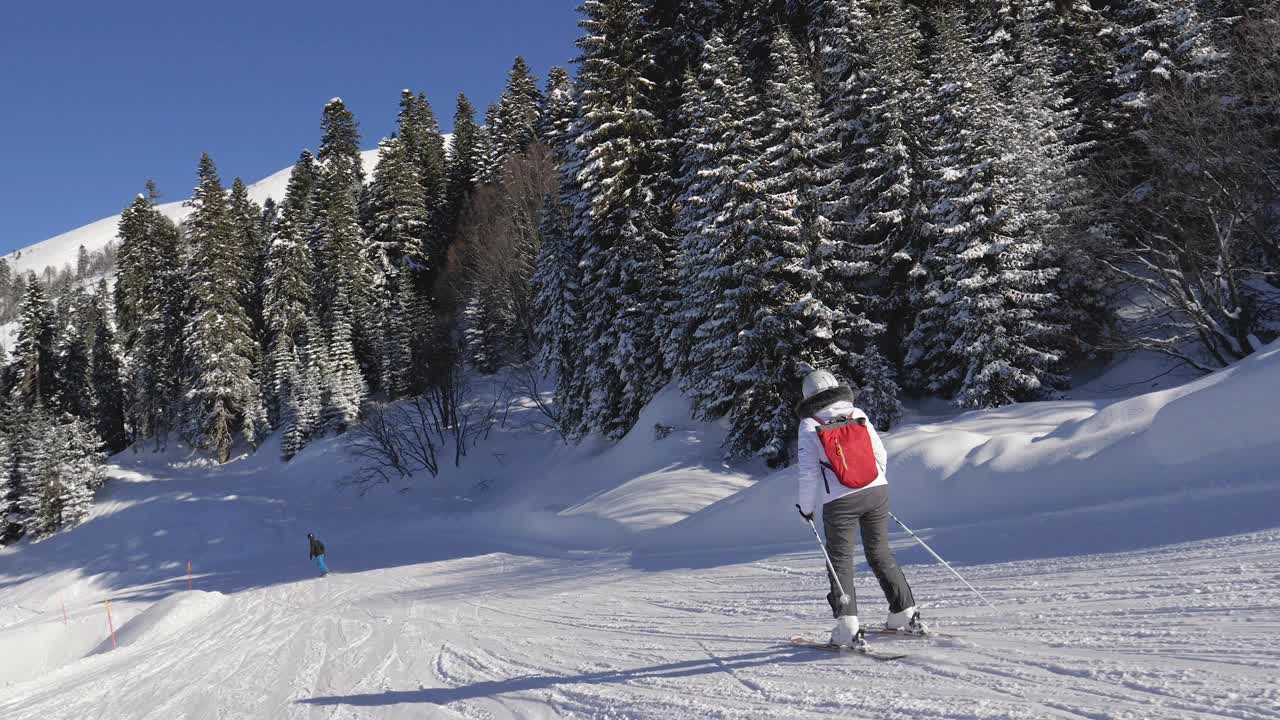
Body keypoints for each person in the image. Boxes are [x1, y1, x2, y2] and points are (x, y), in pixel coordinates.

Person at [795, 369, 924, 649]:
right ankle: (904, 612)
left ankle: (847, 626)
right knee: (879, 551)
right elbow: (880, 454)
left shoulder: (809, 425)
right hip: (877, 490)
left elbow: (808, 474)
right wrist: (873, 483)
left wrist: (806, 509)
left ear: (807, 396)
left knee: (840, 560)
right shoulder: (858, 413)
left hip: (840, 501)